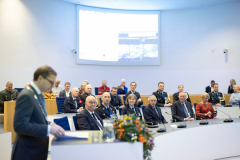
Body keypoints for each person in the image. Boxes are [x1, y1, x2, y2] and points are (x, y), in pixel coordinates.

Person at [11, 65, 65, 160]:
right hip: (27, 153)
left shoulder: (37, 94)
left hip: (36, 151)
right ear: (40, 78)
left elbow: (36, 119)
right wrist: (48, 129)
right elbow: (19, 125)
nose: (53, 86)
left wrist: (51, 124)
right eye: (51, 82)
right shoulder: (27, 95)